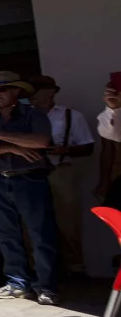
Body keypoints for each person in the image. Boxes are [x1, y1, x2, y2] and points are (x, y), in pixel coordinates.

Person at [0, 71, 61, 305]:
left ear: (17, 92)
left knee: (40, 234)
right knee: (6, 234)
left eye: (3, 89)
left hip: (30, 179)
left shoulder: (33, 115)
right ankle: (17, 282)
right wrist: (14, 147)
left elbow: (41, 142)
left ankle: (46, 285)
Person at [26, 75, 95, 275]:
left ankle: (74, 268)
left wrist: (65, 150)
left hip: (61, 170)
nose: (32, 96)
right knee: (31, 222)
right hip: (31, 171)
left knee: (69, 222)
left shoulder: (71, 116)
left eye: (36, 91)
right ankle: (37, 268)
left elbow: (88, 147)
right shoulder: (24, 116)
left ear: (51, 92)